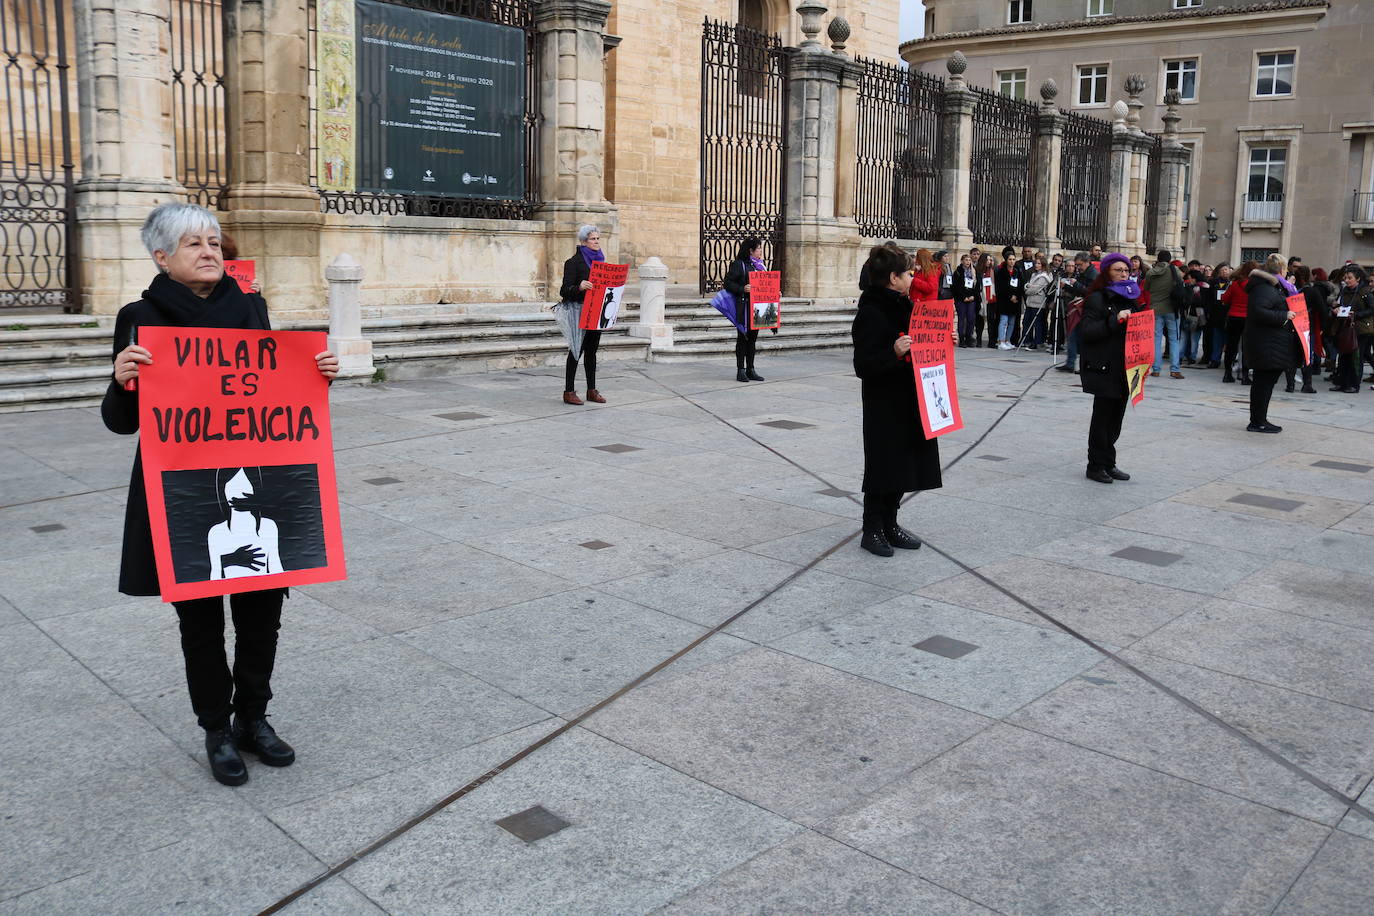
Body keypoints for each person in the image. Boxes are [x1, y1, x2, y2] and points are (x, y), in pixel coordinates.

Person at [103, 202, 339, 787]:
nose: (209, 252)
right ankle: (215, 727)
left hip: (258, 477)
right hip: (181, 485)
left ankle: (254, 718)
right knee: (201, 618)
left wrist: (317, 372)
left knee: (264, 611)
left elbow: (269, 395)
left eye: (213, 242)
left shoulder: (250, 308)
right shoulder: (140, 316)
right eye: (193, 245)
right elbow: (119, 420)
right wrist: (122, 379)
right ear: (162, 257)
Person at [851, 245, 940, 557]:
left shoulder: (905, 306)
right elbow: (863, 365)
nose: (912, 277)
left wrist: (941, 341)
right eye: (907, 272)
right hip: (884, 403)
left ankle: (891, 522)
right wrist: (894, 353)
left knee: (904, 463)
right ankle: (871, 528)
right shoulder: (871, 312)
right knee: (883, 465)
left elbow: (921, 345)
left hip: (910, 400)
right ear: (892, 277)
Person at [1078, 253, 1147, 484]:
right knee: (1102, 418)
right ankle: (1095, 465)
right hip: (1104, 365)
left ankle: (1109, 462)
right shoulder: (1097, 298)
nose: (1124, 274)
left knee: (1116, 418)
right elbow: (1087, 331)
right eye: (1118, 270)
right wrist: (1114, 320)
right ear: (1107, 272)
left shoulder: (1131, 297)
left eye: (1126, 270)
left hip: (1125, 367)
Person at [1242, 254, 1302, 432]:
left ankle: (1261, 419)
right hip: (1265, 343)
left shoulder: (1273, 286)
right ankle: (1257, 421)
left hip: (1271, 342)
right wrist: (1284, 315)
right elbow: (1258, 312)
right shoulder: (1264, 288)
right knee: (1263, 383)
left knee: (1266, 383)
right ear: (1281, 270)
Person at [556, 224, 606, 404]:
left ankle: (591, 390)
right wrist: (579, 287)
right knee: (576, 351)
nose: (597, 242)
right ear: (584, 242)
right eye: (593, 239)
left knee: (592, 351)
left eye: (598, 239)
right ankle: (569, 391)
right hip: (579, 311)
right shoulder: (573, 262)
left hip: (596, 311)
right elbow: (564, 290)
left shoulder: (601, 261)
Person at [724, 237, 771, 382]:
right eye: (759, 249)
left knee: (753, 339)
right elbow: (727, 283)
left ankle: (751, 369)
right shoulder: (739, 265)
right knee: (743, 338)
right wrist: (742, 288)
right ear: (750, 251)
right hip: (744, 306)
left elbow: (766, 285)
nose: (761, 251)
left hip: (758, 307)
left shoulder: (760, 266)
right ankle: (741, 370)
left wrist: (775, 292)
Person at [1330, 266, 1373, 393]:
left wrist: (1356, 314)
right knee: (1343, 356)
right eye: (1345, 278)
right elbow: (1338, 303)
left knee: (1356, 358)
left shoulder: (1365, 292)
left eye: (1350, 278)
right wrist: (1336, 308)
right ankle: (1342, 383)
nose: (1347, 280)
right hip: (1345, 327)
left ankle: (1354, 385)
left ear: (1358, 279)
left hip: (1360, 329)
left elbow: (1372, 308)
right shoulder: (1344, 290)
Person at [1144, 249, 1184, 379]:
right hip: (1172, 309)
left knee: (1156, 339)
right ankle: (1175, 369)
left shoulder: (1150, 272)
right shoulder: (1175, 270)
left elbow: (1147, 289)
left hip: (1155, 309)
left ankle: (1156, 369)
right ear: (1169, 259)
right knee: (1174, 339)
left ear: (1158, 259)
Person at [1221, 261, 1259, 384]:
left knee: (1231, 347)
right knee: (1247, 348)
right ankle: (1245, 376)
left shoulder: (1235, 284)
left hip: (1234, 317)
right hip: (1249, 318)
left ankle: (1227, 374)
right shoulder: (1256, 285)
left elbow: (1225, 298)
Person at [1293, 265, 1324, 393]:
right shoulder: (1312, 291)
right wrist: (1322, 326)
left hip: (1293, 324)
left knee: (1293, 354)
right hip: (1307, 325)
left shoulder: (1293, 290)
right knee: (1307, 355)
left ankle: (1290, 385)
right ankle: (1307, 384)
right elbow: (1322, 310)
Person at [1021, 254, 1054, 350]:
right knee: (1026, 322)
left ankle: (1037, 342)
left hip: (1038, 303)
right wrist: (1028, 287)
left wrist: (1028, 288)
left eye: (1039, 263)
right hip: (1030, 301)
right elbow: (1027, 285)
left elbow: (1034, 289)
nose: (1036, 265)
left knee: (1037, 324)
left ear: (1043, 265)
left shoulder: (1044, 276)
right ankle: (1027, 340)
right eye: (1036, 263)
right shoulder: (1034, 274)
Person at [993, 246, 1021, 349]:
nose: (1012, 261)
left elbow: (1019, 286)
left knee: (1012, 322)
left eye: (1014, 259)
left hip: (1015, 301)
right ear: (1006, 260)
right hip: (1004, 300)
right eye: (1010, 259)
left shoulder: (1017, 272)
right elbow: (1001, 287)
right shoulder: (1001, 272)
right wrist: (1010, 296)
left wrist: (1016, 296)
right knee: (1003, 321)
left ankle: (1008, 340)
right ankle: (1001, 341)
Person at [951, 253, 979, 347]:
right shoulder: (958, 272)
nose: (968, 262)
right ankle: (962, 339)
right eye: (966, 260)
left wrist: (973, 296)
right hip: (961, 299)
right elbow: (956, 287)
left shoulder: (973, 272)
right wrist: (963, 297)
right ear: (962, 261)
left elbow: (977, 286)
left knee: (971, 319)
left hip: (971, 298)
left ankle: (969, 337)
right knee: (962, 319)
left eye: (969, 260)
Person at [975, 252, 997, 347]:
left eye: (990, 260)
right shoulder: (978, 272)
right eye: (987, 260)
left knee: (991, 321)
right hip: (982, 298)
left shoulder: (993, 271)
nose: (989, 262)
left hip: (991, 299)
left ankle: (991, 342)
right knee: (980, 321)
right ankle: (978, 340)